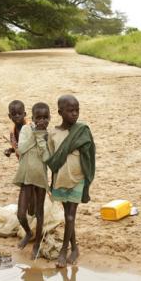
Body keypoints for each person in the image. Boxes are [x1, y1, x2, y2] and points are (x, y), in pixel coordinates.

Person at [46, 95, 96, 268]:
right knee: (69, 217)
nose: (74, 114)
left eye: (77, 110)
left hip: (78, 179)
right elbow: (53, 159)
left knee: (70, 216)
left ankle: (63, 250)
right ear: (60, 112)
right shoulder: (52, 133)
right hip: (61, 179)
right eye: (70, 111)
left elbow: (89, 155)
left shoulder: (82, 130)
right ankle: (75, 248)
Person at [14, 102, 51, 257]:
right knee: (21, 214)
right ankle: (28, 233)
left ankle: (36, 244)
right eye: (38, 117)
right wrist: (35, 134)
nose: (41, 121)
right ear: (33, 118)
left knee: (39, 212)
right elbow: (21, 149)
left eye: (45, 118)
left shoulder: (49, 135)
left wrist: (41, 137)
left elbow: (47, 157)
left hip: (40, 177)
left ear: (50, 118)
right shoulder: (25, 129)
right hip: (26, 175)